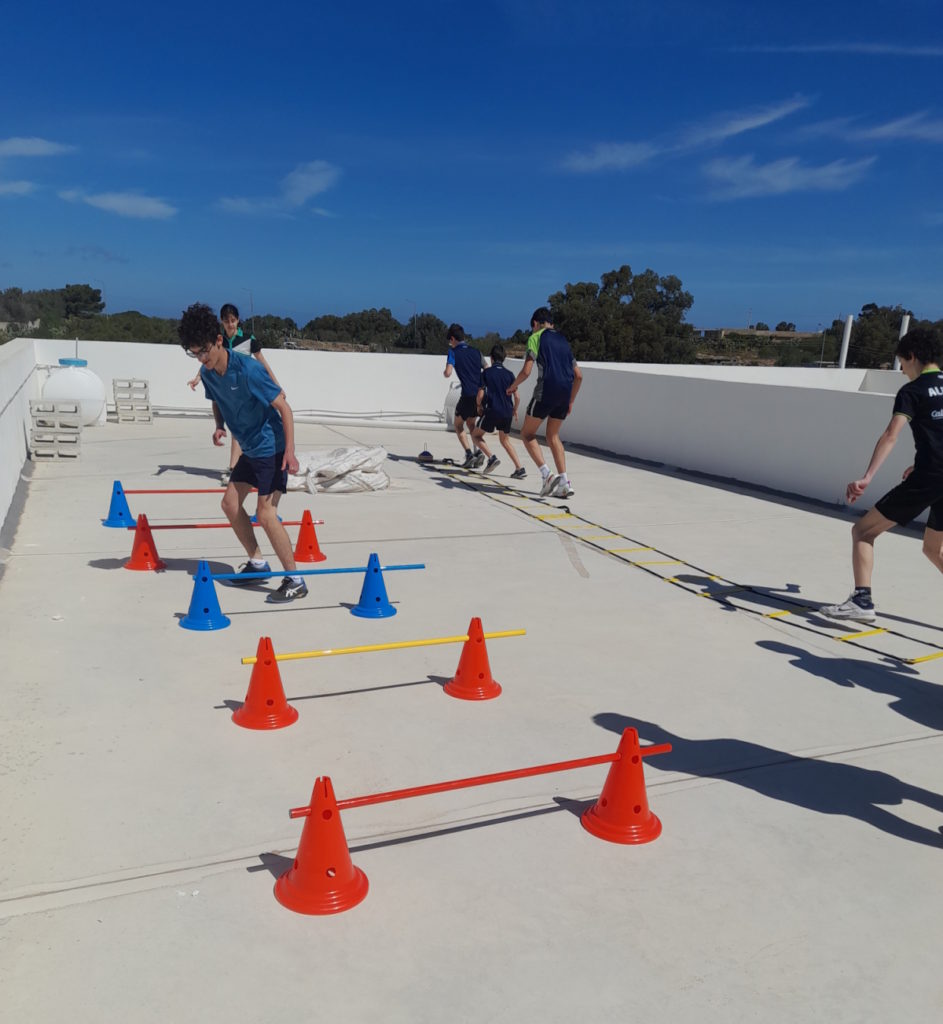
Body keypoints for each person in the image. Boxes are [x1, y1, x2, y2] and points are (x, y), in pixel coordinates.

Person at [178, 302, 307, 603]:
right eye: (194, 352)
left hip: (272, 447)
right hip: (250, 449)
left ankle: (296, 580)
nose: (201, 358)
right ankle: (258, 564)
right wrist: (219, 424)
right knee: (230, 505)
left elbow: (284, 408)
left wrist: (290, 452)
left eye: (204, 351)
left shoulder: (248, 369)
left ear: (219, 341)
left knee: (266, 513)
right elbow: (215, 400)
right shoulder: (208, 373)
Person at [821, 325, 943, 622]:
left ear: (912, 357)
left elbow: (891, 435)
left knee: (862, 531)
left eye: (902, 364)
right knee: (932, 549)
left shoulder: (911, 391)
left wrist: (867, 477)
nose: (902, 371)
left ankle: (861, 601)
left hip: (930, 478)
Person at [188, 303, 279, 485]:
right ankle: (234, 469)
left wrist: (276, 385)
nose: (231, 324)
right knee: (237, 431)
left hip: (249, 391)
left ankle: (241, 469)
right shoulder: (218, 342)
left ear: (238, 320)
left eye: (233, 320)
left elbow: (261, 362)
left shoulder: (247, 339)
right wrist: (198, 377)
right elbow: (208, 363)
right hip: (231, 394)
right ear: (222, 322)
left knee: (250, 432)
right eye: (227, 321)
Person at [507, 307, 582, 498]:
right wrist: (571, 401)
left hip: (545, 392)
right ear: (552, 324)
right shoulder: (564, 341)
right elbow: (578, 376)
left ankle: (547, 475)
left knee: (527, 433)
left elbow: (526, 371)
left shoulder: (536, 337)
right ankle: (565, 482)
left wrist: (512, 387)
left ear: (535, 324)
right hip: (565, 394)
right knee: (553, 436)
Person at [472, 343, 526, 478]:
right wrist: (514, 410)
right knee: (505, 440)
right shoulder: (510, 375)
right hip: (507, 411)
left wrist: (478, 406)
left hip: (492, 410)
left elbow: (480, 395)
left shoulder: (486, 373)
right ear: (504, 358)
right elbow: (517, 397)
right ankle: (519, 468)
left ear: (491, 358)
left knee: (475, 435)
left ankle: (491, 458)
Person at [443, 323, 487, 468]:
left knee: (458, 425)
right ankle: (478, 452)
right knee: (471, 423)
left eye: (450, 339)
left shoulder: (453, 352)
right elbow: (487, 369)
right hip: (479, 394)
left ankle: (468, 454)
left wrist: (445, 372)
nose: (450, 342)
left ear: (454, 339)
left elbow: (448, 373)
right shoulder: (476, 351)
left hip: (467, 394)